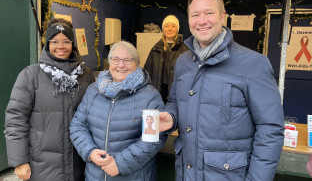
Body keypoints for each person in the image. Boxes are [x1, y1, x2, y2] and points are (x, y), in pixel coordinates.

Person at [159, 0, 284, 181]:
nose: (202, 21)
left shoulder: (253, 64)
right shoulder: (183, 62)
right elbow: (175, 101)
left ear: (222, 16)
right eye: (195, 15)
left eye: (209, 13)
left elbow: (270, 129)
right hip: (186, 172)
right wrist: (171, 117)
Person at [5, 18, 94, 181]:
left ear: (73, 44)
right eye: (55, 41)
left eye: (66, 41)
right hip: (42, 164)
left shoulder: (86, 75)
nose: (61, 46)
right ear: (47, 44)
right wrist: (19, 161)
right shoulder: (31, 75)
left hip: (79, 160)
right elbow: (16, 119)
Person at [70, 41, 167, 181]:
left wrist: (120, 163)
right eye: (115, 59)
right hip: (95, 176)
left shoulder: (150, 96)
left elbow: (153, 138)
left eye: (128, 60)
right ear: (109, 63)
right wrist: (90, 152)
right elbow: (77, 125)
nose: (121, 65)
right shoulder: (93, 90)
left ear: (137, 63)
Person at [144, 15, 188, 102]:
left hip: (177, 91)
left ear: (177, 29)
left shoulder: (185, 49)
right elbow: (147, 71)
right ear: (163, 29)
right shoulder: (156, 48)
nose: (170, 29)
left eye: (173, 26)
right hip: (158, 91)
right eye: (166, 26)